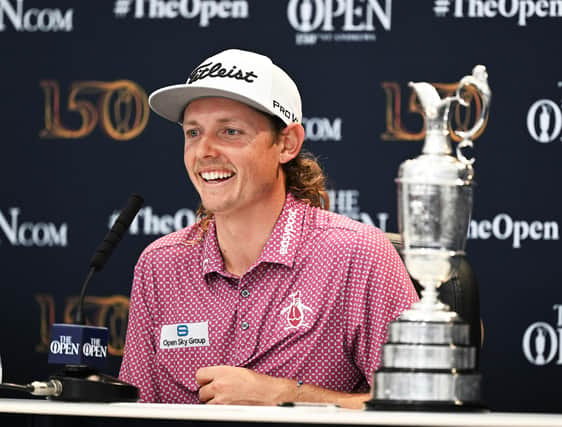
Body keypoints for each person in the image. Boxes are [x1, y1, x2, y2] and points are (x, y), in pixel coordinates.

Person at [119, 49, 418, 409]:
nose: (204, 151)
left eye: (230, 131)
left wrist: (287, 397)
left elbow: (417, 406)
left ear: (287, 144)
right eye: (193, 132)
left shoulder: (356, 254)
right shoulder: (160, 265)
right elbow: (136, 411)